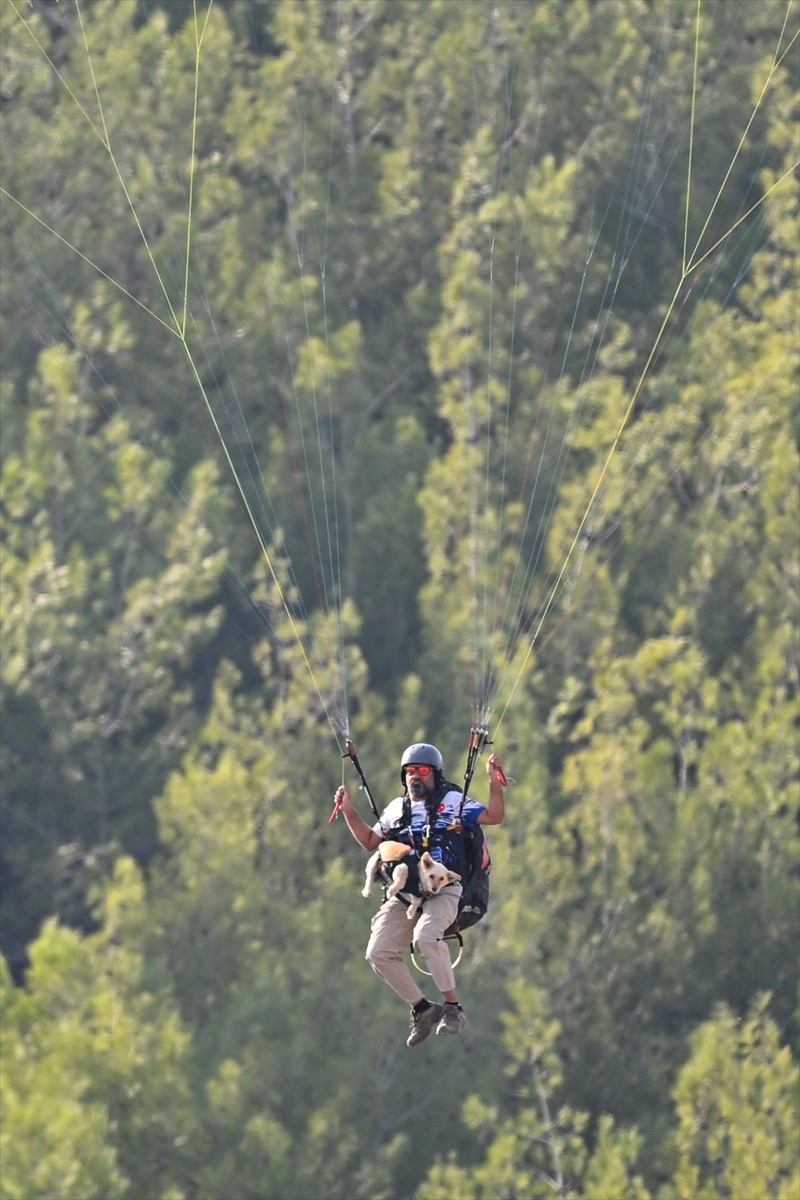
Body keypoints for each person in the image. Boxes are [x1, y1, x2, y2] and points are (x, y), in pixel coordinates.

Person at [333, 741, 507, 1047]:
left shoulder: (453, 800)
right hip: (406, 896)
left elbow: (493, 816)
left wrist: (494, 784)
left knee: (425, 937)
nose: (416, 776)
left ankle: (453, 1009)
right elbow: (370, 842)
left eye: (423, 771)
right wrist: (348, 811)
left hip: (445, 888)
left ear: (435, 775)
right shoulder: (396, 809)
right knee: (378, 952)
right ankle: (423, 1009)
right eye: (410, 771)